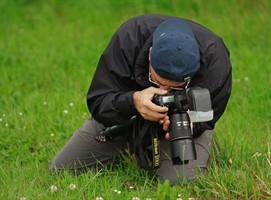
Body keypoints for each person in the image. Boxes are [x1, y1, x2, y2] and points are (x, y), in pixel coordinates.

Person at [49, 14, 232, 184]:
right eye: (157, 82)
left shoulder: (216, 59)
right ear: (150, 55)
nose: (164, 92)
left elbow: (210, 113)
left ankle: (202, 146)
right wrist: (134, 100)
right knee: (62, 169)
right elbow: (98, 102)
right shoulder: (130, 38)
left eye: (175, 88)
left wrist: (192, 125)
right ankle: (132, 146)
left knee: (180, 180)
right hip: (124, 119)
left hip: (180, 126)